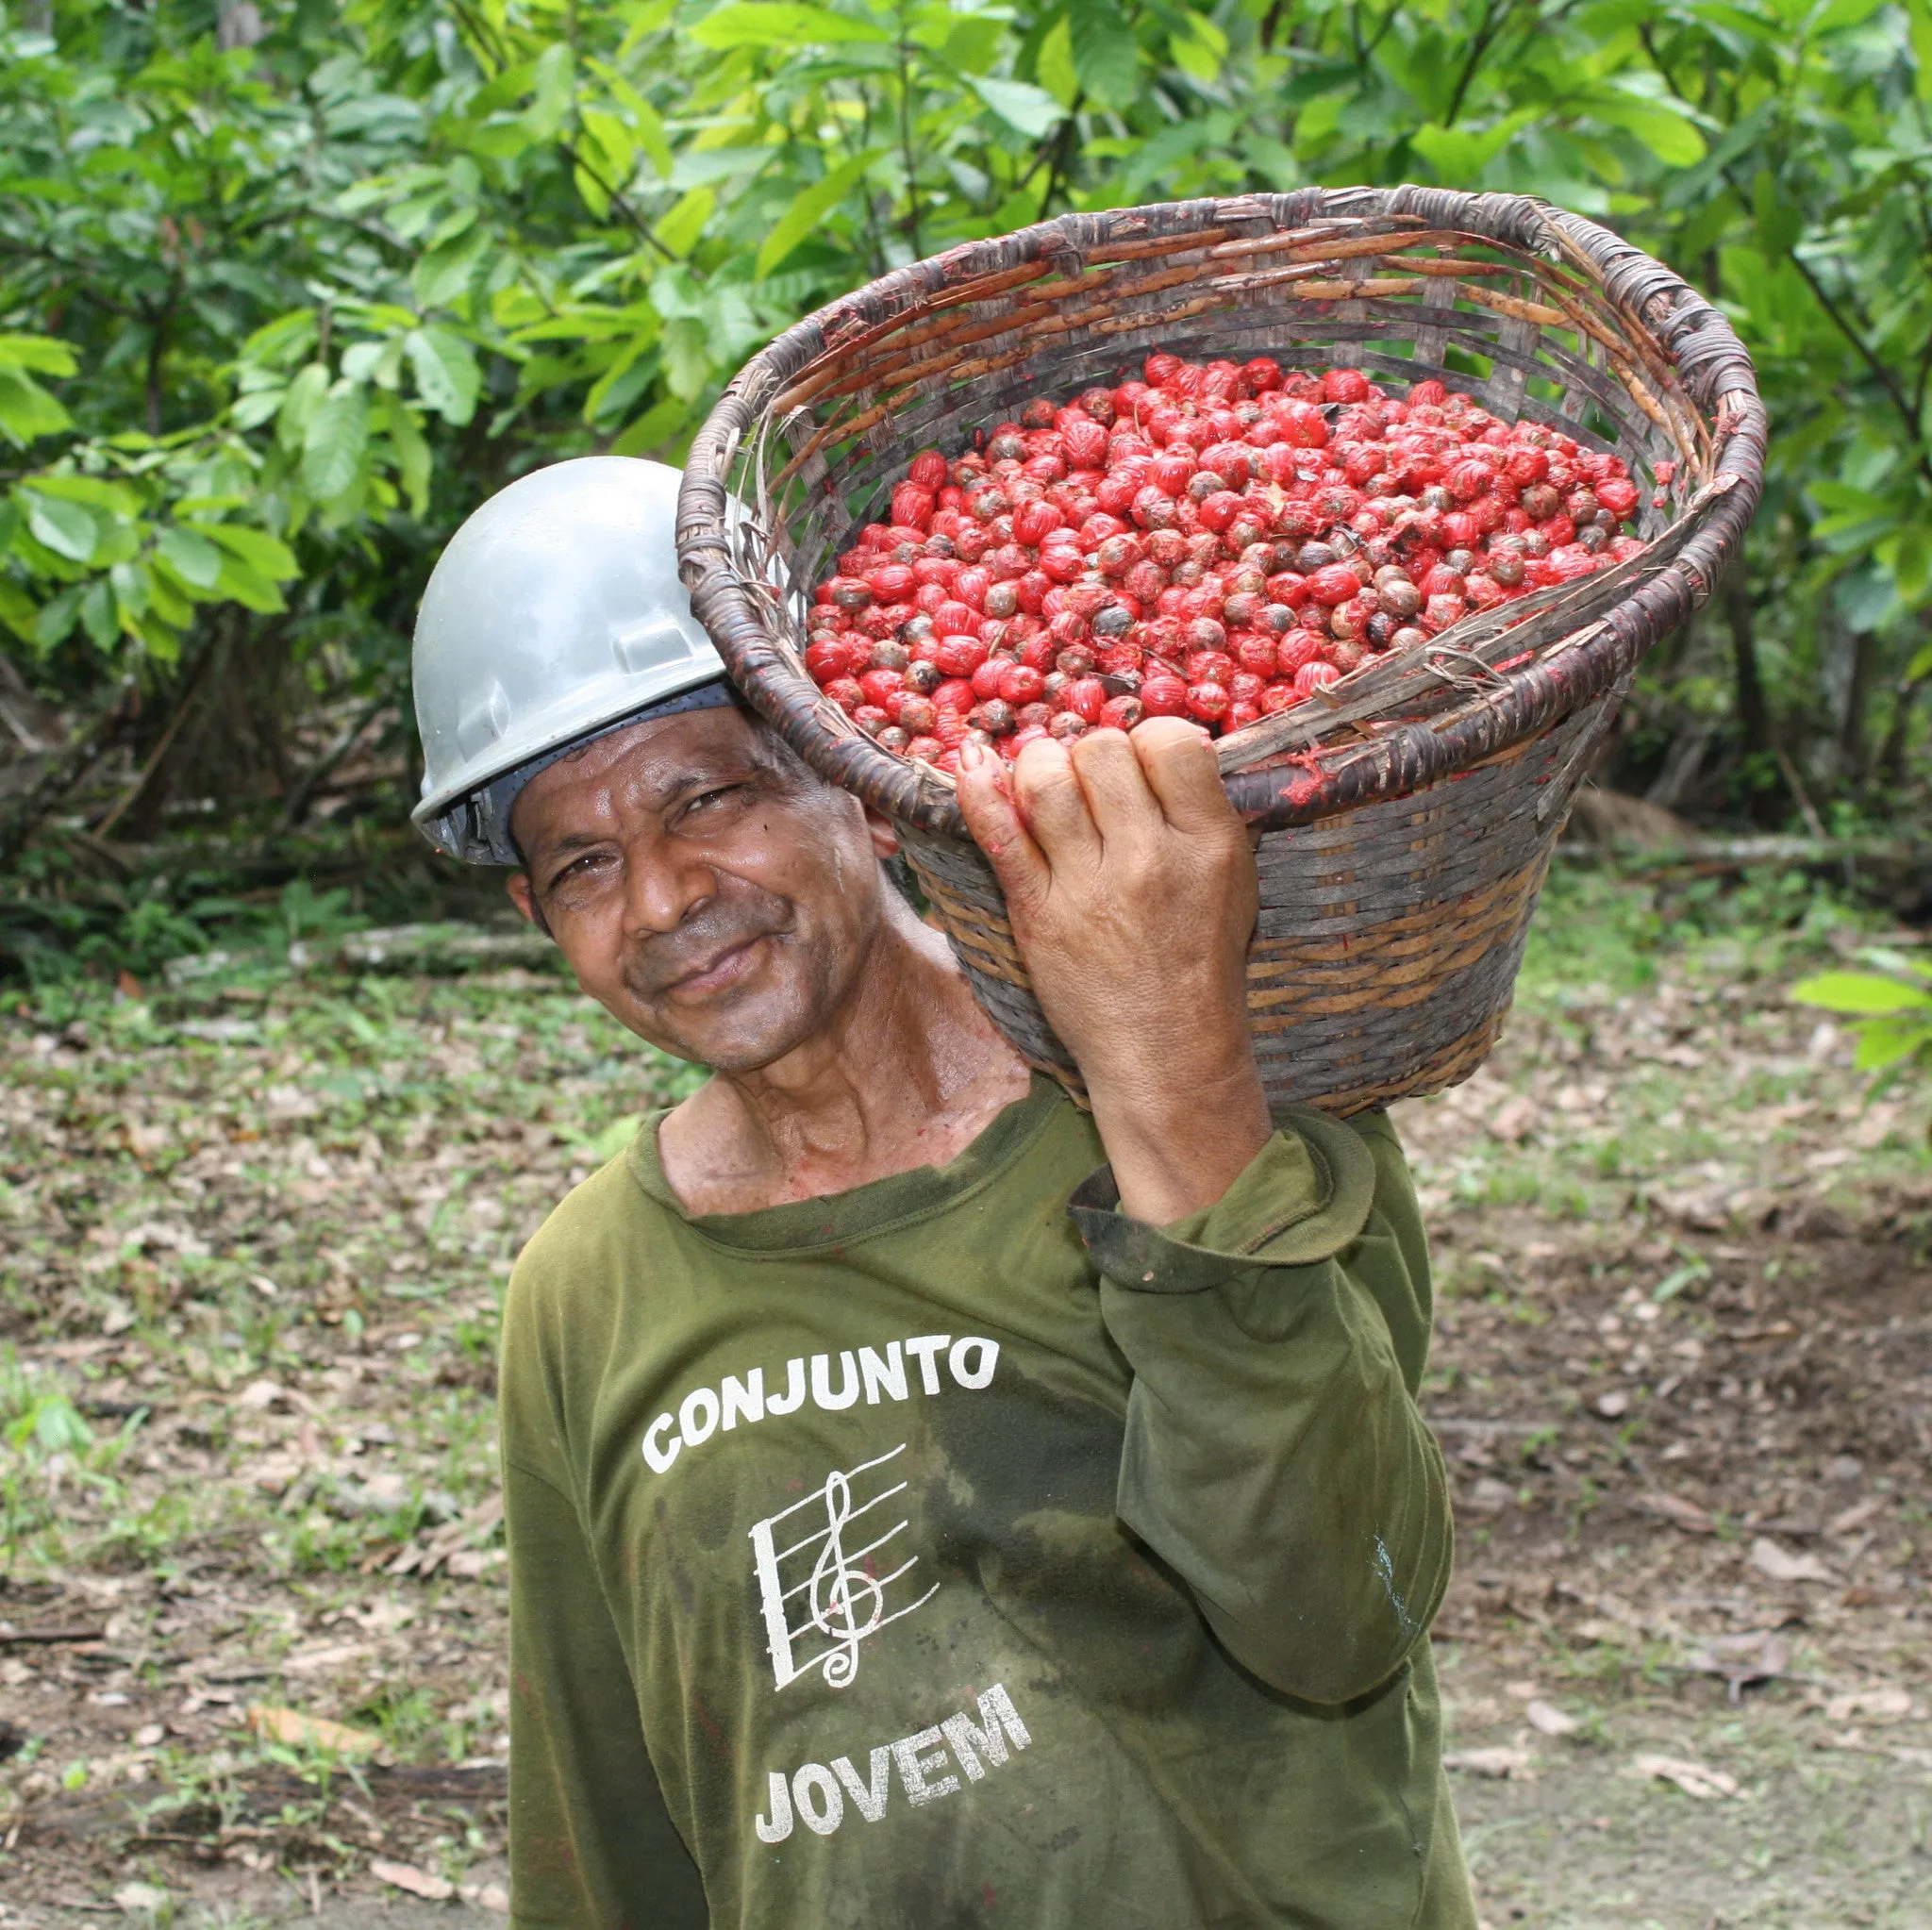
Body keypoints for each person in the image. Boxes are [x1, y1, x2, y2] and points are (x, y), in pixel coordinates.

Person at [410, 457, 1476, 1929]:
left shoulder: (1197, 1081)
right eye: (586, 863)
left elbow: (1345, 1608)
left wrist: (1177, 1097)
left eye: (707, 796)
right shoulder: (584, 1291)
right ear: (538, 916)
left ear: (853, 767)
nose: (661, 901)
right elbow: (605, 1819)